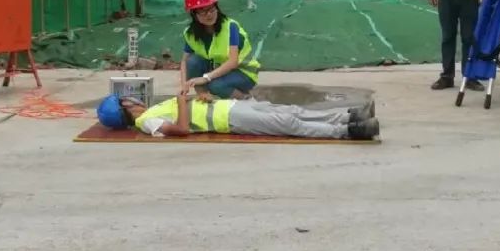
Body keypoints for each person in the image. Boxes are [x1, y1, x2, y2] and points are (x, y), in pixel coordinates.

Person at [95, 92, 380, 140]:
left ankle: (346, 115)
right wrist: (183, 102)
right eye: (125, 99)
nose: (131, 97)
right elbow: (181, 129)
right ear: (125, 108)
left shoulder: (152, 109)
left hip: (228, 107)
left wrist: (198, 97)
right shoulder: (148, 123)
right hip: (229, 121)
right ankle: (350, 131)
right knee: (287, 124)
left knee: (288, 111)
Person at [180, 0, 260, 99]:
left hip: (243, 72)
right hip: (219, 69)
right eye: (202, 11)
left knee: (215, 85)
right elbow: (185, 61)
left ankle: (245, 100)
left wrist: (206, 77)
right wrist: (184, 85)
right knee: (193, 61)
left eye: (211, 9)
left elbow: (233, 62)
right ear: (193, 14)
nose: (209, 15)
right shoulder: (190, 33)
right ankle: (203, 96)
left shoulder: (230, 27)